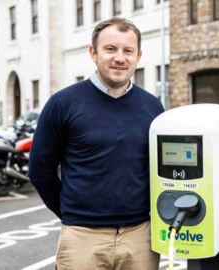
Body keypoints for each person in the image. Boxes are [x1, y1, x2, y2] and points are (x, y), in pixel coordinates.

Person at [29, 17, 164, 270]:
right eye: (110, 49)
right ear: (94, 53)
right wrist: (73, 215)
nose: (119, 58)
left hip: (141, 237)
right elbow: (40, 172)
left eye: (128, 51)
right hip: (83, 237)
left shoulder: (153, 106)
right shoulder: (62, 104)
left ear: (138, 55)